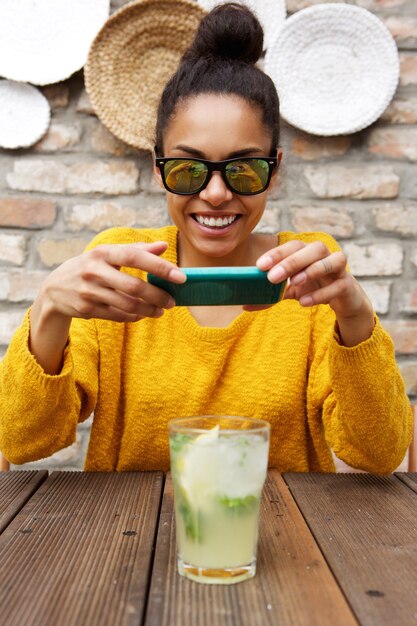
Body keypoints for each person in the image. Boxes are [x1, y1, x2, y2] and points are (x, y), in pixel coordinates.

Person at [0, 3, 412, 473]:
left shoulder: (309, 272)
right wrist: (49, 308)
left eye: (242, 168)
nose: (215, 194)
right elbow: (21, 441)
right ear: (159, 169)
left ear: (273, 171)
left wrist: (355, 315)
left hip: (284, 535)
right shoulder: (120, 265)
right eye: (188, 168)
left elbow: (379, 453)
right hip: (124, 537)